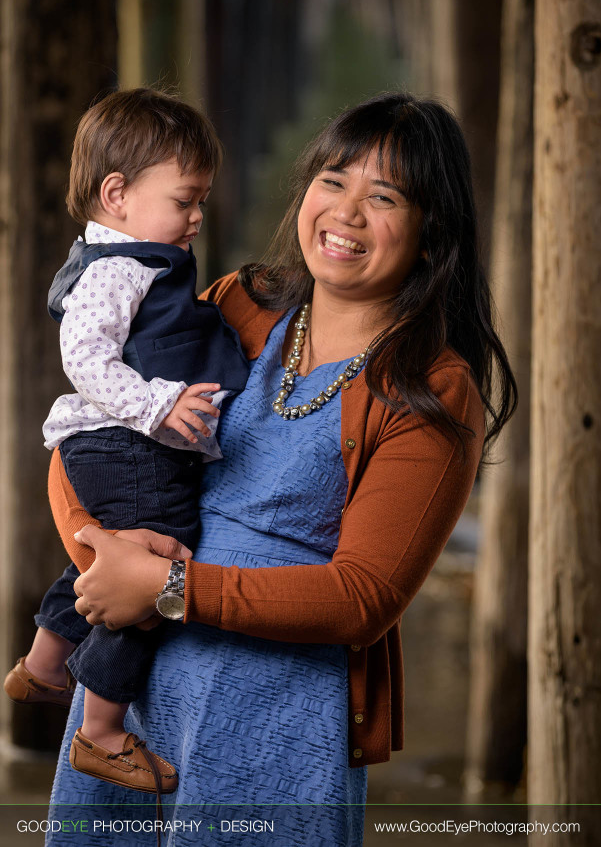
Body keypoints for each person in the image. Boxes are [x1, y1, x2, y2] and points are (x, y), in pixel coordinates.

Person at [45, 92, 516, 845]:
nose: (347, 212)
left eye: (385, 195)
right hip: (130, 700)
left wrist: (166, 588)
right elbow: (102, 429)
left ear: (431, 234)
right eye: (333, 180)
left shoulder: (431, 387)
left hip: (277, 709)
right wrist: (95, 551)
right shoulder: (241, 303)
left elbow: (363, 597)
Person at [3, 88, 249, 793]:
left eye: (201, 199)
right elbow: (83, 357)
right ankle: (102, 731)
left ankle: (47, 662)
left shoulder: (136, 259)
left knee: (122, 550)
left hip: (118, 444)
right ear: (117, 195)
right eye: (185, 199)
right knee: (150, 574)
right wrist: (157, 406)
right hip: (123, 441)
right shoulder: (119, 268)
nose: (197, 215)